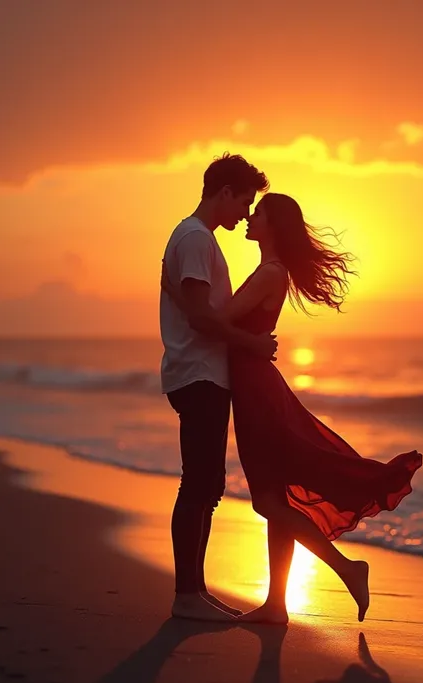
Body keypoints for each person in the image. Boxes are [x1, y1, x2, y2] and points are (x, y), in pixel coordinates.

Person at [162, 191, 423, 624]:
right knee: (275, 495)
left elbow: (218, 319)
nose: (249, 216)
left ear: (274, 226)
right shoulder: (268, 270)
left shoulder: (270, 272)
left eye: (258, 213)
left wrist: (176, 291)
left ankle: (347, 568)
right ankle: (277, 605)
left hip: (257, 394)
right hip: (253, 390)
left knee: (267, 501)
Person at [159, 153, 277, 622]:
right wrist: (251, 341)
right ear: (223, 192)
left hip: (205, 373)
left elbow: (190, 303)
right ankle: (186, 594)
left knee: (207, 485)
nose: (246, 213)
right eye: (244, 202)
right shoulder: (194, 237)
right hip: (198, 373)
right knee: (198, 484)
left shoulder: (196, 238)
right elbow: (200, 316)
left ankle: (196, 591)